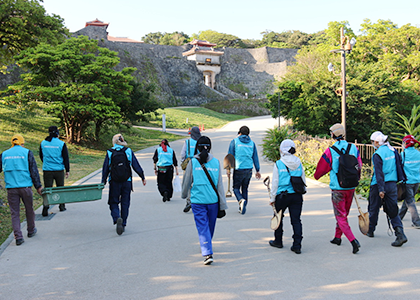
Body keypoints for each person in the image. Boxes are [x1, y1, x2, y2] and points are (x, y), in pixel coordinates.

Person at [314, 123, 362, 254]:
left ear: (333, 134)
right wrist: (356, 178)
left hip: (338, 188)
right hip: (351, 187)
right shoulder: (353, 148)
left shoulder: (330, 151)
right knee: (344, 214)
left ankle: (353, 241)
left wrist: (316, 176)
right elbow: (359, 165)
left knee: (340, 216)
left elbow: (321, 169)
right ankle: (337, 237)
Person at [181, 136, 227, 265]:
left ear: (197, 147)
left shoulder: (193, 162)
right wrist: (222, 203)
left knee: (203, 227)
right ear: (210, 147)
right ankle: (207, 248)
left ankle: (207, 249)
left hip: (198, 201)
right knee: (209, 226)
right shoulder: (216, 162)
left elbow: (187, 181)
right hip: (213, 201)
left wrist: (184, 195)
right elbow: (220, 185)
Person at [0, 134, 42, 246]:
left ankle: (18, 237)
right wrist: (38, 186)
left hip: (11, 189)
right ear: (22, 143)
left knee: (15, 213)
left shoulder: (4, 154)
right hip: (26, 188)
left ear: (12, 143)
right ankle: (31, 230)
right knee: (29, 209)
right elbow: (33, 171)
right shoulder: (27, 153)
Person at [368, 131, 408, 247]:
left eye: (372, 142)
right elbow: (399, 166)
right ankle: (400, 234)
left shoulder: (377, 154)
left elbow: (379, 173)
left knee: (374, 208)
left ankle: (370, 230)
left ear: (376, 142)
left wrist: (381, 189)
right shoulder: (393, 150)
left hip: (379, 185)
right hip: (392, 185)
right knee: (393, 209)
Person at [101, 134, 146, 235]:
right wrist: (142, 176)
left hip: (114, 181)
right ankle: (124, 223)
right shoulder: (128, 151)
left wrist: (103, 181)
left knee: (113, 202)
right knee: (125, 203)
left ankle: (117, 218)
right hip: (127, 181)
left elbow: (105, 168)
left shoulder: (109, 152)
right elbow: (135, 164)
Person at [269, 139, 305, 254]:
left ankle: (278, 240)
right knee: (296, 220)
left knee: (278, 217)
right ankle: (297, 244)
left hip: (282, 195)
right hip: (297, 195)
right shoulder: (298, 162)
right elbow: (303, 178)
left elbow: (275, 182)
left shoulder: (279, 163)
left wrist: (272, 198)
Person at [227, 125, 261, 215]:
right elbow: (255, 157)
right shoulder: (252, 143)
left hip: (238, 169)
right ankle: (242, 206)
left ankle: (241, 200)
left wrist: (228, 169)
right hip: (249, 169)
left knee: (236, 188)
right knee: (245, 188)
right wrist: (258, 170)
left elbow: (230, 156)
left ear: (240, 133)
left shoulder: (234, 142)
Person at [39, 126, 70, 216]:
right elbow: (65, 158)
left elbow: (41, 156)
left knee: (48, 188)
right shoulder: (61, 144)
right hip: (59, 170)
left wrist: (47, 163)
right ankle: (61, 206)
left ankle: (46, 206)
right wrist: (67, 170)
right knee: (60, 188)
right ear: (57, 133)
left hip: (47, 170)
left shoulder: (43, 143)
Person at [399, 135, 420, 228]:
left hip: (408, 182)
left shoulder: (403, 155)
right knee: (408, 199)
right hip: (417, 181)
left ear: (405, 143)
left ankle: (417, 222)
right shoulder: (418, 153)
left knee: (410, 201)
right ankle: (399, 216)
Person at [180, 126, 201, 212]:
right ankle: (196, 200)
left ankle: (189, 200)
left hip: (189, 163)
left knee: (187, 183)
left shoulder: (187, 142)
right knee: (196, 183)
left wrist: (183, 161)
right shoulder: (200, 142)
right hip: (198, 164)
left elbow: (182, 153)